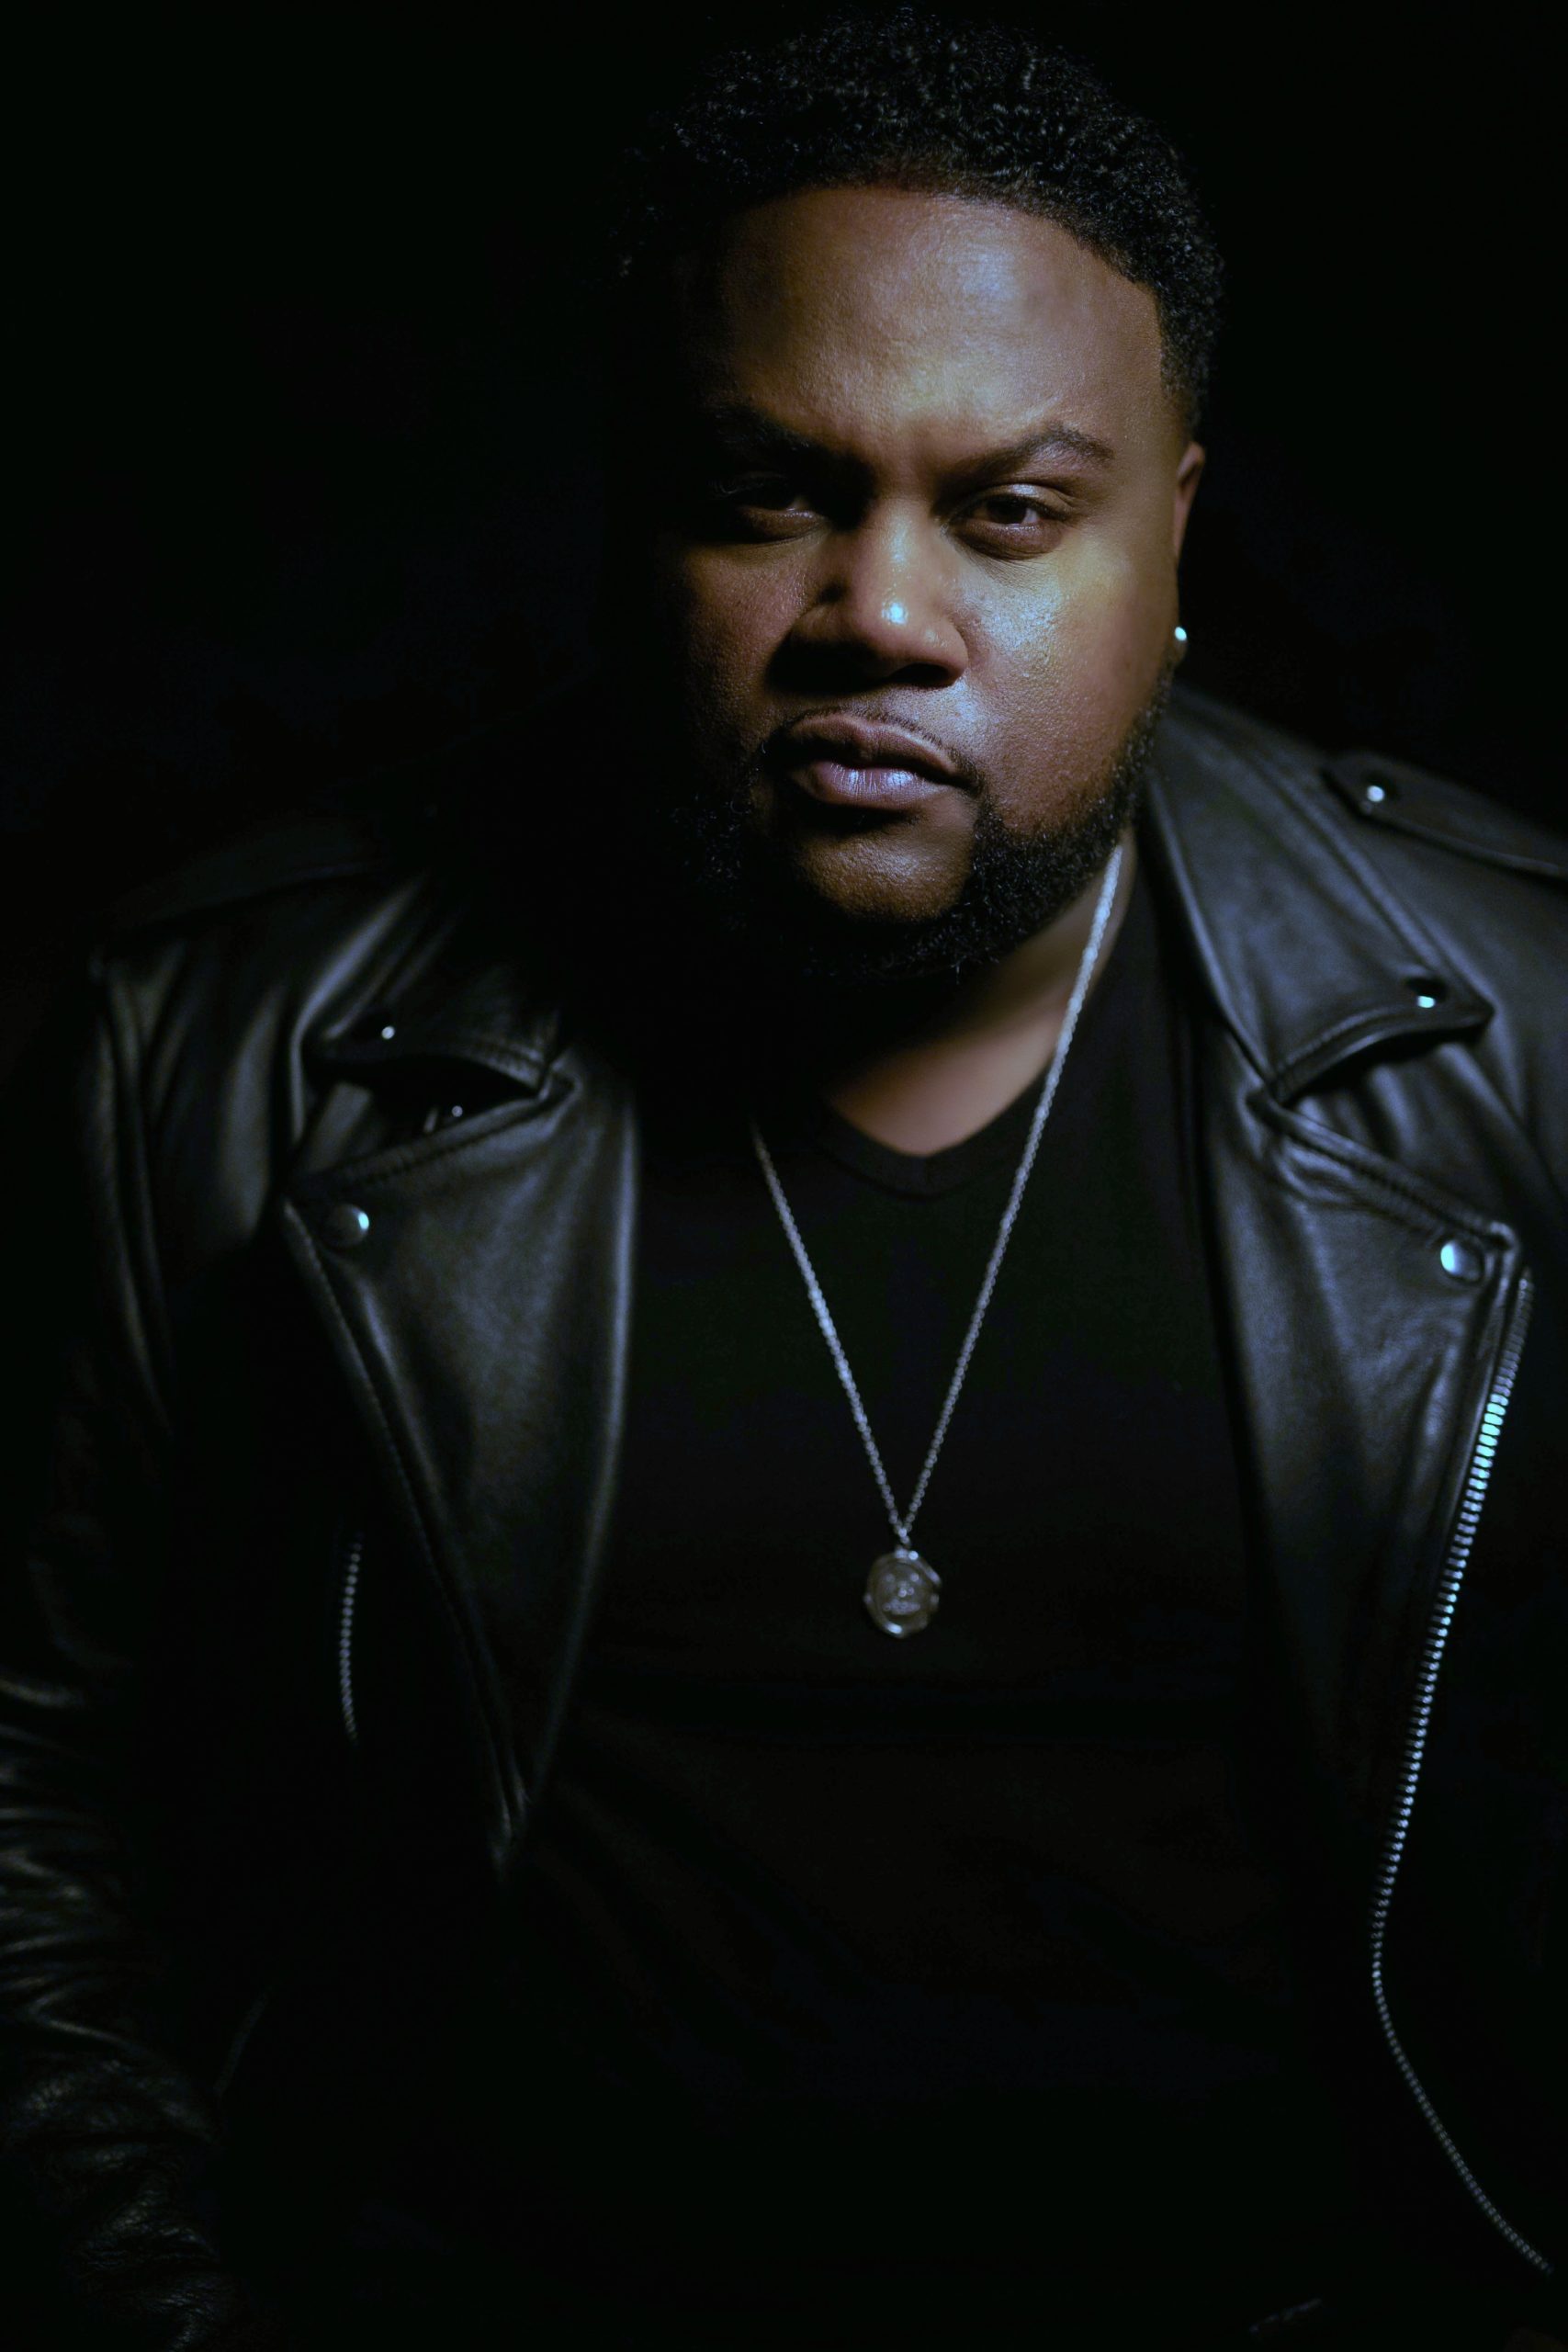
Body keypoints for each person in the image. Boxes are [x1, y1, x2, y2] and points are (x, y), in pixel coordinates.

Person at [2, 13, 1565, 2349]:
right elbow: (34, 1792)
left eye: (1007, 510)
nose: (880, 616)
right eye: (767, 496)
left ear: (1170, 535)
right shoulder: (219, 1046)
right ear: (629, 516)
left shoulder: (1518, 1032)